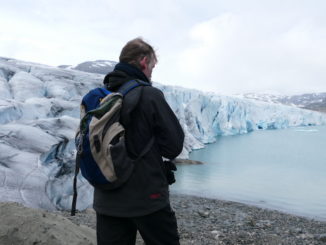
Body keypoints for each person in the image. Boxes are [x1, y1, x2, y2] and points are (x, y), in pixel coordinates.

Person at [94, 38, 185, 245]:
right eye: (153, 65)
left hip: (107, 199)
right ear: (144, 62)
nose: (152, 71)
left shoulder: (103, 96)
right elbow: (174, 146)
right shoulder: (149, 94)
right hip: (147, 197)